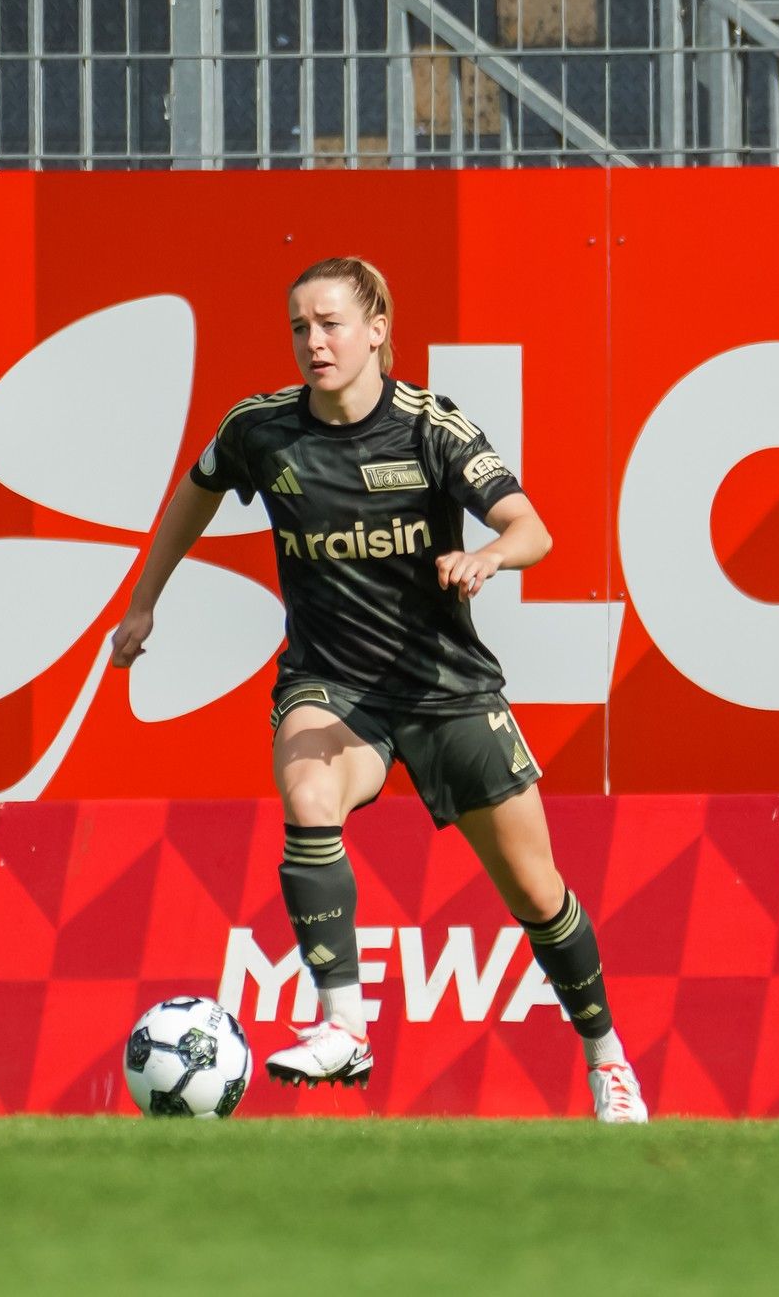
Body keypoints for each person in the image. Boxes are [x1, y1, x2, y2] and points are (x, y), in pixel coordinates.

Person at [109, 257, 646, 1124]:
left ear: (378, 328)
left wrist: (488, 555)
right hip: (333, 682)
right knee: (308, 787)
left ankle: (607, 1057)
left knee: (539, 893)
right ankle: (343, 1023)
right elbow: (195, 494)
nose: (312, 343)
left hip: (446, 689)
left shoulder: (431, 428)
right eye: (298, 327)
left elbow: (531, 527)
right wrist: (144, 603)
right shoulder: (261, 429)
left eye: (328, 324)